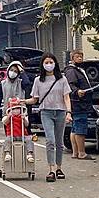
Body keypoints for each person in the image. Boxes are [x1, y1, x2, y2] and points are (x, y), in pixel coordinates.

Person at [22, 53, 73, 182]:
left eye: (51, 62)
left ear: (55, 63)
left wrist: (68, 112)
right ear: (42, 65)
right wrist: (22, 101)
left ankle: (59, 167)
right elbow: (34, 99)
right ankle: (51, 169)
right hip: (46, 112)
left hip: (60, 112)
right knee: (50, 140)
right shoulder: (38, 80)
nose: (49, 64)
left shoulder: (62, 79)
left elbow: (66, 97)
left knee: (59, 142)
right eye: (46, 62)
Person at [64, 49, 95, 160]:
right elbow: (70, 85)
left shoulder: (79, 69)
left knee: (74, 128)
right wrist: (77, 91)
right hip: (78, 103)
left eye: (81, 56)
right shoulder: (72, 71)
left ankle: (75, 152)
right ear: (72, 59)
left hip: (79, 103)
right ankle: (82, 152)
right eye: (77, 57)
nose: (80, 59)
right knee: (80, 128)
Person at [2, 98, 34, 163]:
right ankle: (7, 153)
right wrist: (9, 117)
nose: (16, 111)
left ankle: (29, 154)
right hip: (12, 135)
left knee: (29, 139)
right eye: (13, 109)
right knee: (7, 140)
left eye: (18, 109)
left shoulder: (23, 116)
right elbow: (5, 122)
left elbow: (27, 124)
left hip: (22, 135)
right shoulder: (8, 117)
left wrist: (24, 118)